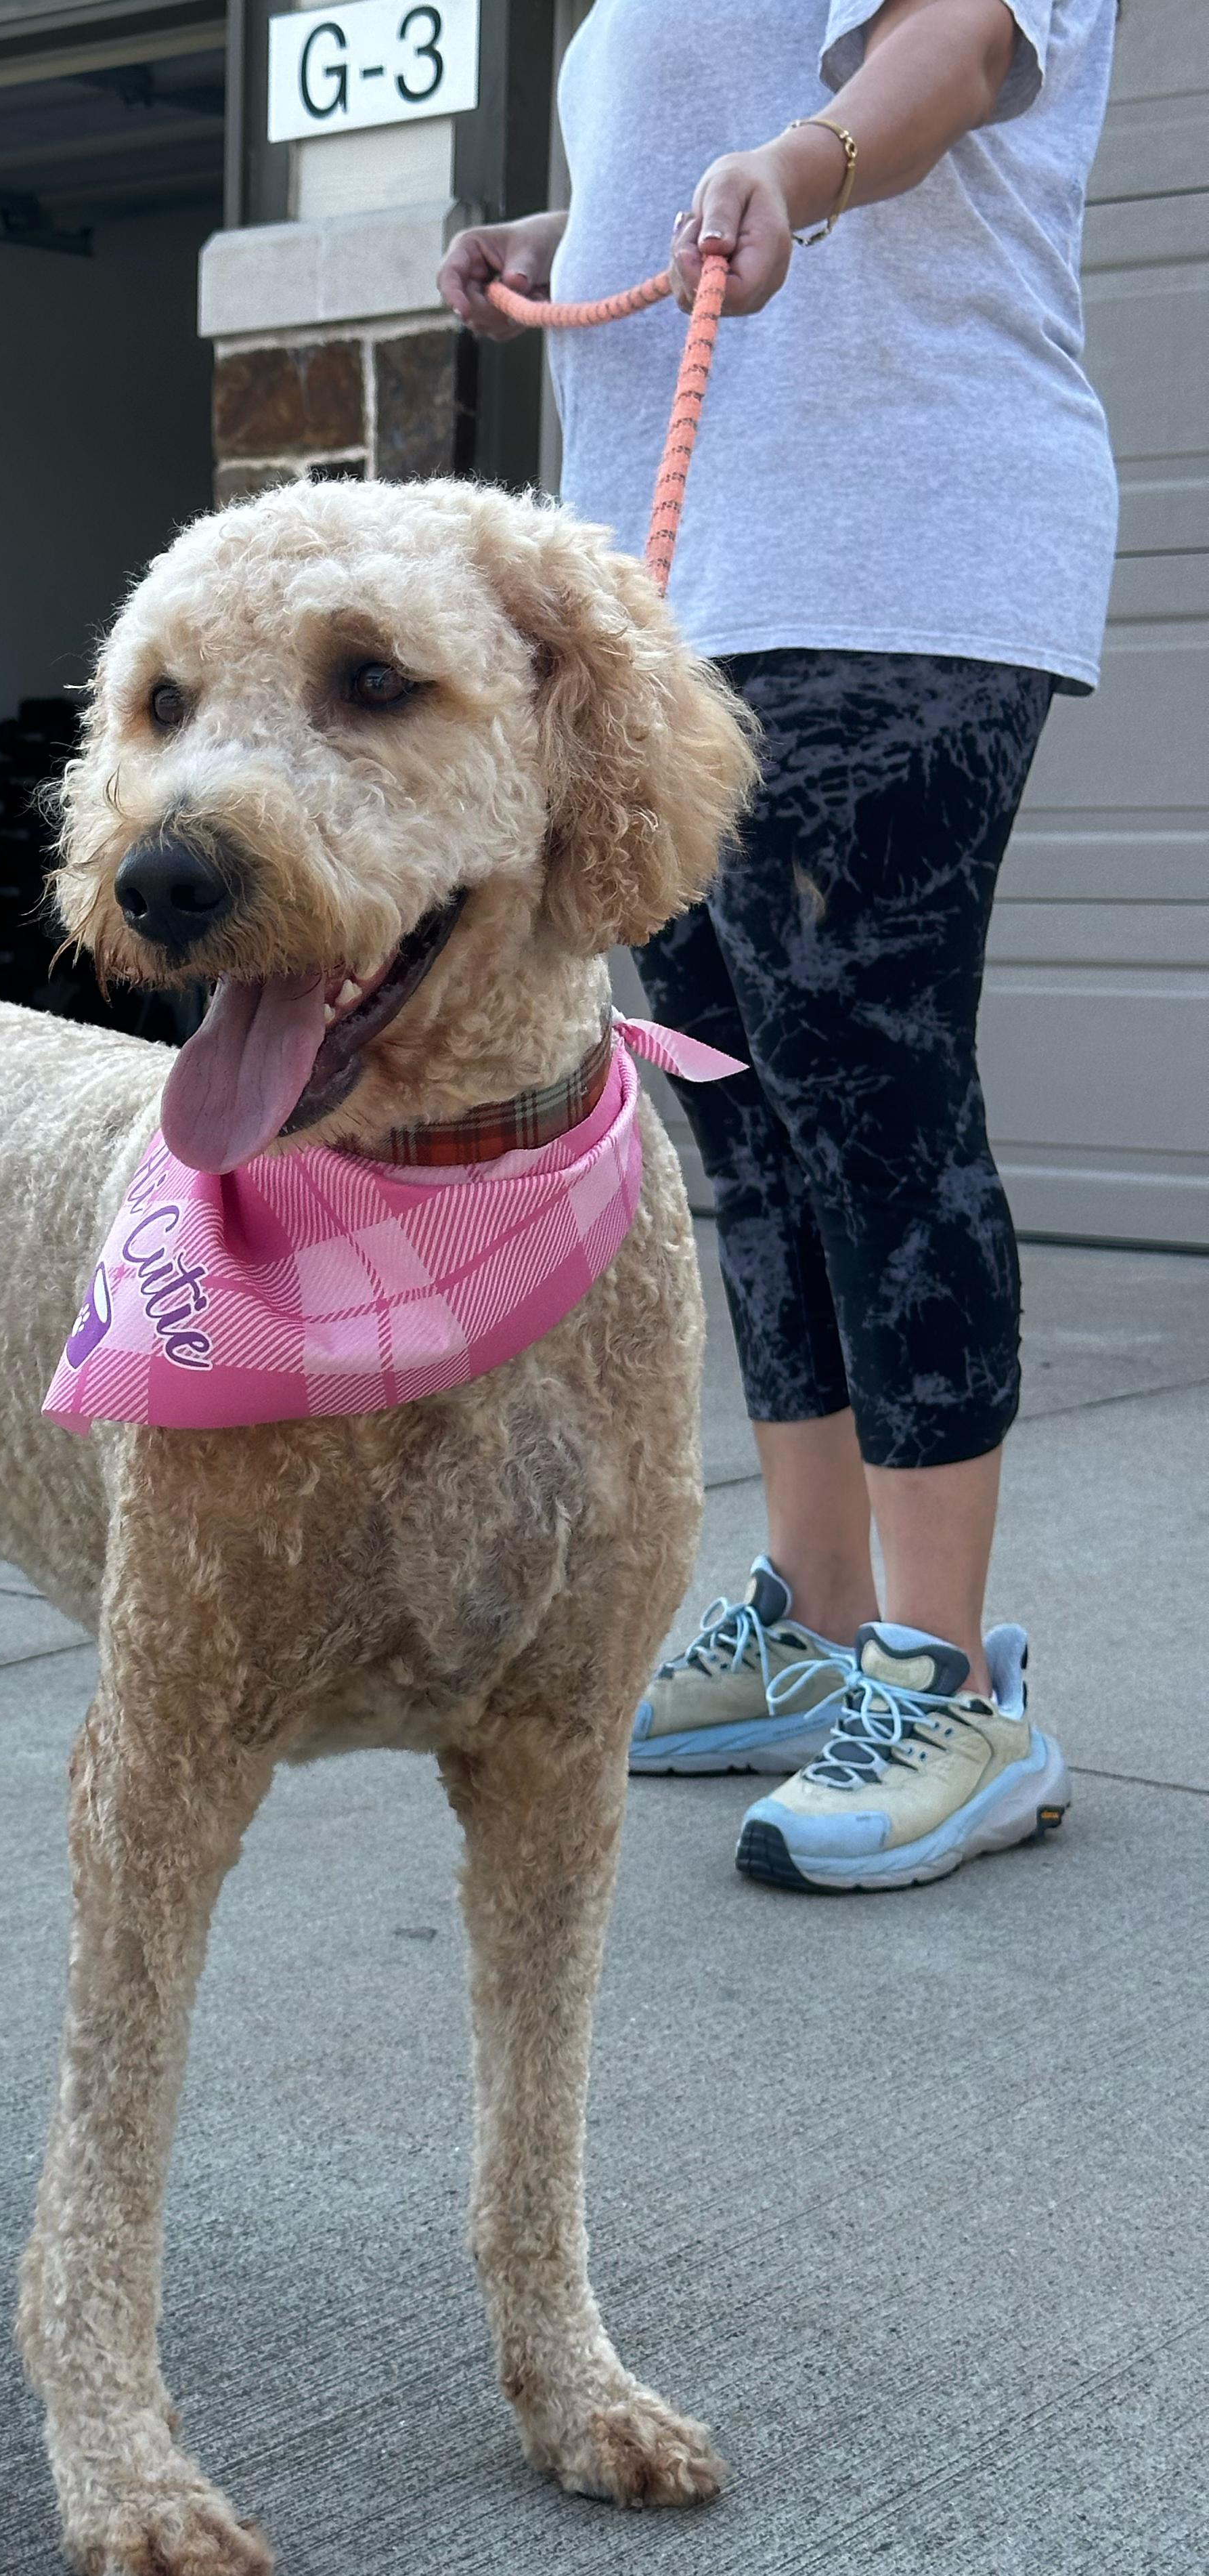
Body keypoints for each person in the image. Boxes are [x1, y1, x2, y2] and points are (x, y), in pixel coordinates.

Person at [441, 0, 1116, 1891]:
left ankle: (959, 1684)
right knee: (746, 1132)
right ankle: (819, 1625)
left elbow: (960, 53)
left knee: (869, 1094)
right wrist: (555, 247)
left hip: (892, 555)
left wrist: (807, 167)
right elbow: (683, 154)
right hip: (688, 595)